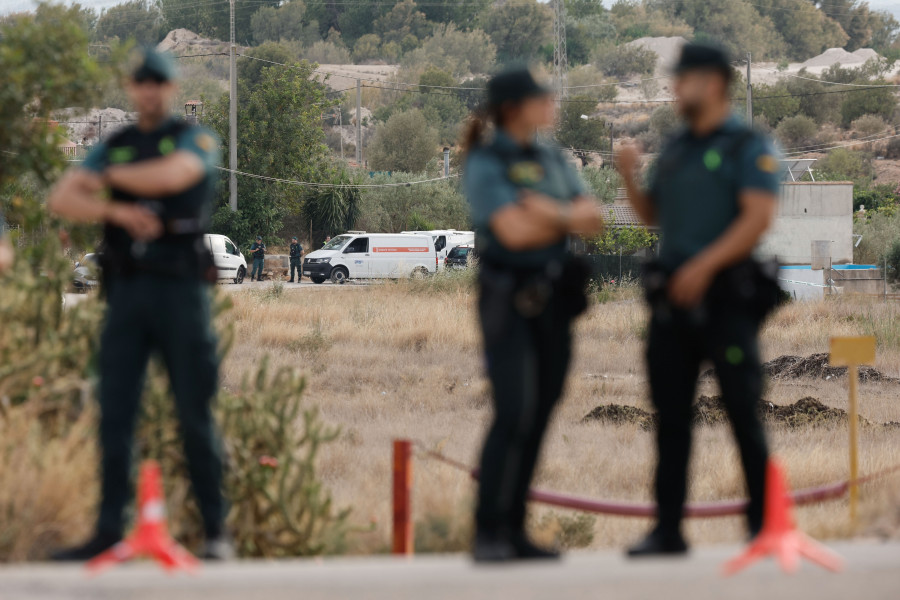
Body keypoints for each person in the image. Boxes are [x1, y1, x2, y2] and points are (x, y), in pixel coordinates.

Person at [46, 48, 232, 561]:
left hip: (180, 291)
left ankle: (216, 531)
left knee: (194, 411)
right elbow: (63, 197)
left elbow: (175, 176)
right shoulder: (116, 143)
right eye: (141, 82)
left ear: (170, 89)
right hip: (127, 291)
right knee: (115, 412)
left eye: (158, 82)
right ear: (133, 88)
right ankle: (110, 531)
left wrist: (104, 180)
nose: (149, 89)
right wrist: (119, 213)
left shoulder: (193, 138)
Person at [616, 43, 781, 556]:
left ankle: (763, 526)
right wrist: (627, 176)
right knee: (670, 417)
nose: (673, 88)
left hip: (726, 299)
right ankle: (668, 530)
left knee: (741, 409)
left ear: (712, 84)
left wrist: (704, 266)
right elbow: (652, 217)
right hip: (673, 305)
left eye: (682, 79)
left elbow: (757, 217)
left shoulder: (747, 145)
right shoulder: (677, 147)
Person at [462, 67, 604, 562]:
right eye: (542, 97)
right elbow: (513, 233)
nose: (552, 102)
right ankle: (488, 532)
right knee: (514, 411)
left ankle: (516, 531)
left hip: (555, 299)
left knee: (541, 412)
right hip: (507, 298)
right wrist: (561, 216)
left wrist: (546, 211)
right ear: (514, 107)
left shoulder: (550, 158)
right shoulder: (485, 162)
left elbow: (596, 220)